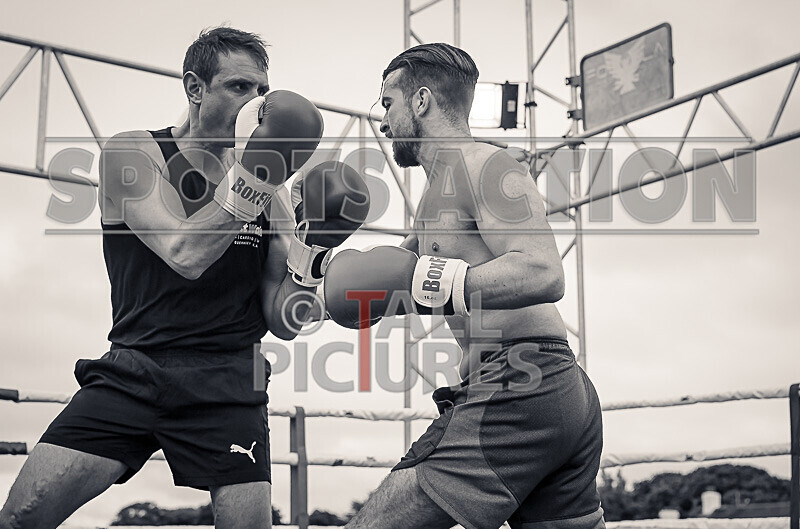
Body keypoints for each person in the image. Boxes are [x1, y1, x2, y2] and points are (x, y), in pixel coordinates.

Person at [0, 27, 368, 529]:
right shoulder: (134, 153)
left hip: (229, 380)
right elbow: (183, 251)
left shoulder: (275, 195)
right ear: (195, 88)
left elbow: (282, 322)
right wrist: (254, 182)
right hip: (136, 367)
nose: (255, 104)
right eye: (239, 87)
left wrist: (314, 248)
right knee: (22, 516)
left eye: (261, 91)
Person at [323, 43, 605, 529]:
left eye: (387, 103)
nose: (382, 122)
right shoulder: (436, 195)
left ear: (421, 101)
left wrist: (437, 281)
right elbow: (382, 282)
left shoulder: (486, 165)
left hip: (520, 381)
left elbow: (543, 271)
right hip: (548, 389)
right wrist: (309, 253)